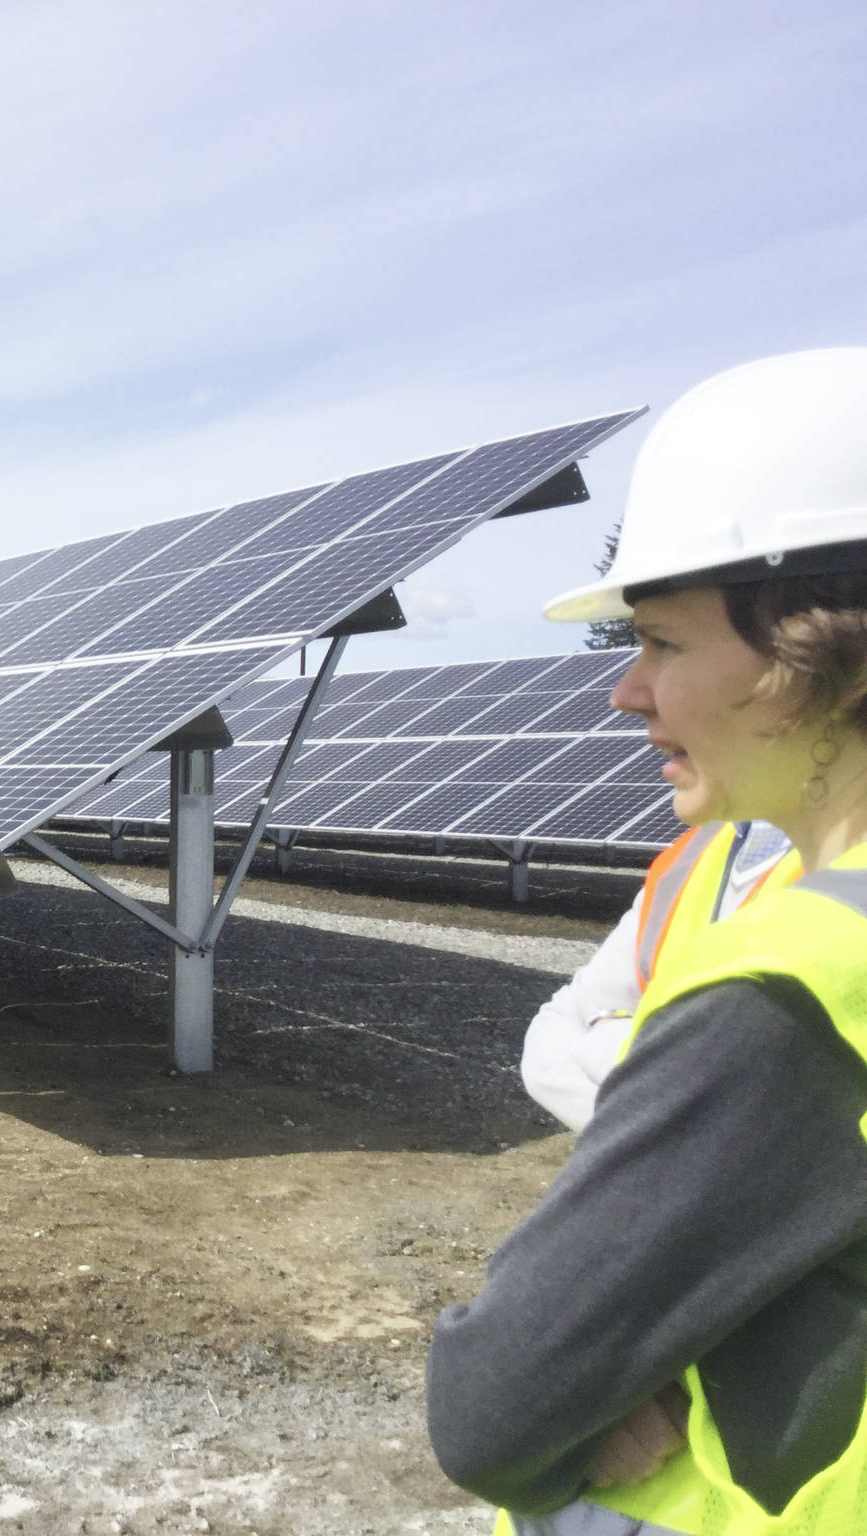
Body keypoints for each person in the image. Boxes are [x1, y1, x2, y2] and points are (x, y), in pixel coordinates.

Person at [427, 346, 867, 1533]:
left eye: (662, 644)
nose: (626, 692)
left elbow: (486, 1406)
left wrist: (624, 1382)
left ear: (818, 653)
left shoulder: (790, 988)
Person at [520, 819, 793, 1130]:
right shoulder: (693, 852)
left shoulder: (845, 874)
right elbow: (555, 1032)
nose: (660, 768)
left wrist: (607, 1032)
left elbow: (728, 1094)